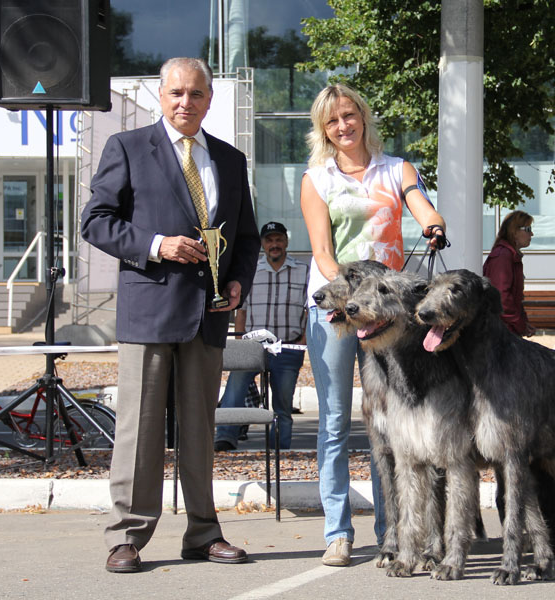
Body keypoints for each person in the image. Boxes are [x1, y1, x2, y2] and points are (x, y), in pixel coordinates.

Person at [81, 57, 259, 573]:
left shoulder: (230, 158)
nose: (186, 102)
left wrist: (238, 282)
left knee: (200, 428)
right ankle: (126, 536)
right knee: (139, 431)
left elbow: (245, 239)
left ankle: (203, 533)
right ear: (162, 95)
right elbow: (95, 222)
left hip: (207, 315)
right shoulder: (128, 148)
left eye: (196, 94)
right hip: (149, 313)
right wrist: (158, 245)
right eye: (176, 93)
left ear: (210, 99)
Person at [300, 83, 447, 567]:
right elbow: (323, 253)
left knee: (394, 425)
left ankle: (396, 531)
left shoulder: (396, 167)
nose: (343, 126)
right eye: (332, 120)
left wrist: (432, 221)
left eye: (349, 115)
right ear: (324, 129)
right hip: (336, 311)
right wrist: (349, 297)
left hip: (390, 315)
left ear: (363, 116)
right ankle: (338, 532)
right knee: (337, 422)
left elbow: (418, 201)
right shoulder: (316, 179)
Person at [214, 221, 309, 452]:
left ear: (286, 242)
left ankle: (280, 449)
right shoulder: (250, 272)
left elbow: (309, 309)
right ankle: (225, 439)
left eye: (278, 239)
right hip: (253, 347)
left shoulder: (303, 270)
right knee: (233, 394)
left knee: (282, 405)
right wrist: (239, 347)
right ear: (262, 244)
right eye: (269, 240)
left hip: (288, 347)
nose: (274, 244)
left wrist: (304, 339)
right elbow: (241, 311)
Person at [483, 210, 536, 337]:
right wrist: (520, 324)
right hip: (500, 333)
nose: (532, 234)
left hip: (506, 330)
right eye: (528, 229)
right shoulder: (503, 256)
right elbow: (501, 298)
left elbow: (513, 297)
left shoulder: (510, 255)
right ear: (515, 231)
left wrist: (523, 322)